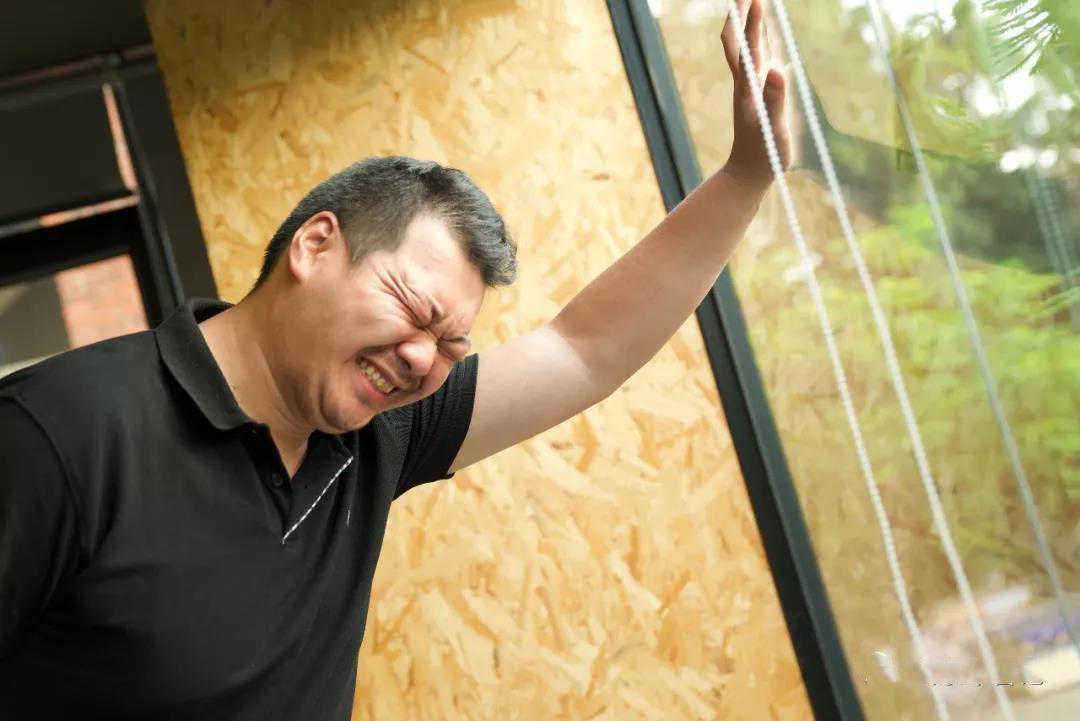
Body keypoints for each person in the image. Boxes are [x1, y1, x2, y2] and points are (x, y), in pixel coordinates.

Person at [0, 2, 790, 719]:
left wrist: (746, 178)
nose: (421, 358)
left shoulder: (375, 435)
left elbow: (584, 350)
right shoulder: (60, 433)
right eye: (414, 309)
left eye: (451, 345)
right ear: (316, 245)